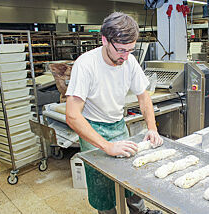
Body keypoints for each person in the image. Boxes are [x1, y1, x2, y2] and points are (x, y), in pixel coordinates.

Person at [66, 12, 164, 214]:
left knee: (132, 175)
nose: (125, 56)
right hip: (94, 130)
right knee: (103, 187)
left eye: (130, 50)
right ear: (104, 40)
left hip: (119, 125)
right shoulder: (86, 65)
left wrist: (152, 128)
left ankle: (140, 212)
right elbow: (73, 115)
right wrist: (107, 146)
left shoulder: (130, 61)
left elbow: (143, 97)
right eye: (120, 50)